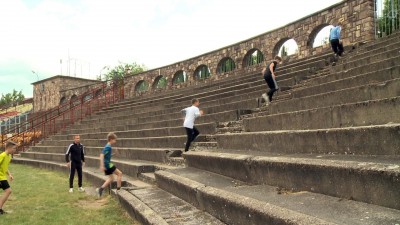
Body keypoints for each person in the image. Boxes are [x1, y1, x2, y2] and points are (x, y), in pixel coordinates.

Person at [96, 132, 122, 197]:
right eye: (114, 140)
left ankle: (100, 189)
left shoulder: (108, 146)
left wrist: (114, 153)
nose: (115, 141)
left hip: (106, 164)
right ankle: (118, 190)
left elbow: (106, 155)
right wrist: (102, 165)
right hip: (108, 164)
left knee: (111, 178)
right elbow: (101, 155)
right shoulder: (108, 147)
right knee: (119, 174)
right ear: (111, 139)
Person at [0, 141, 17, 215]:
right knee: (8, 191)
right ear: (8, 148)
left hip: (3, 177)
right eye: (14, 148)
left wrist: (9, 174)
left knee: (8, 191)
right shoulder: (2, 155)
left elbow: (5, 167)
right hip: (0, 177)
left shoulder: (9, 156)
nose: (15, 150)